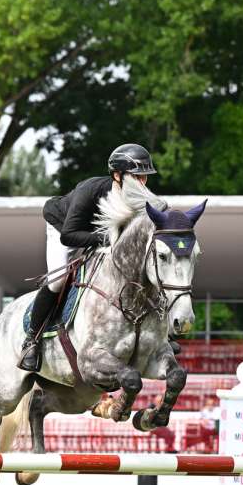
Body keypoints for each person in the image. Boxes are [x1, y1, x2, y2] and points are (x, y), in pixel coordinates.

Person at [18, 143, 164, 372]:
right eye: (136, 177)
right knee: (58, 280)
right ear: (117, 175)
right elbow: (69, 235)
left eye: (144, 177)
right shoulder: (91, 190)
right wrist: (105, 239)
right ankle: (32, 340)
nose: (142, 183)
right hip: (63, 228)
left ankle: (160, 334)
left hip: (101, 237)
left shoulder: (141, 200)